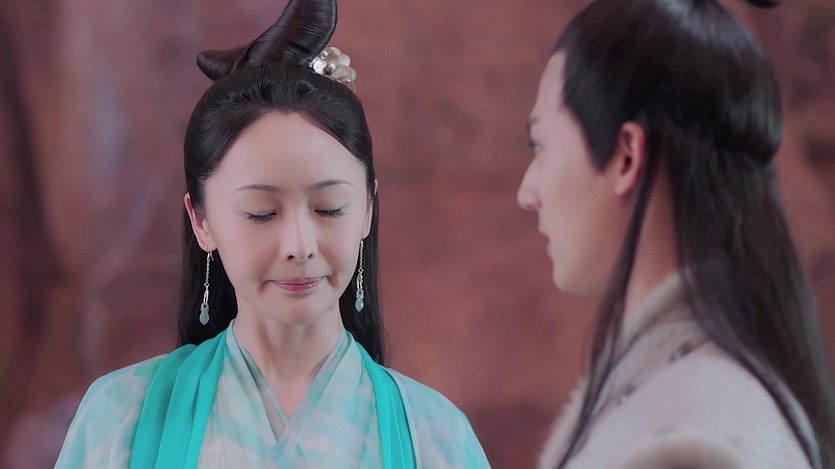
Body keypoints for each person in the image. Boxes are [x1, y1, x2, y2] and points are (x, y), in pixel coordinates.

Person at [55, 1, 489, 467]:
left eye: (329, 208)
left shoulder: (436, 436)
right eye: (261, 213)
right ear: (201, 221)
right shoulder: (121, 417)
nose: (300, 246)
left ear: (367, 210)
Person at [517, 0, 835, 467]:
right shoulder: (730, 400)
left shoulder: (685, 441)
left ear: (627, 156)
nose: (527, 192)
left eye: (540, 145)